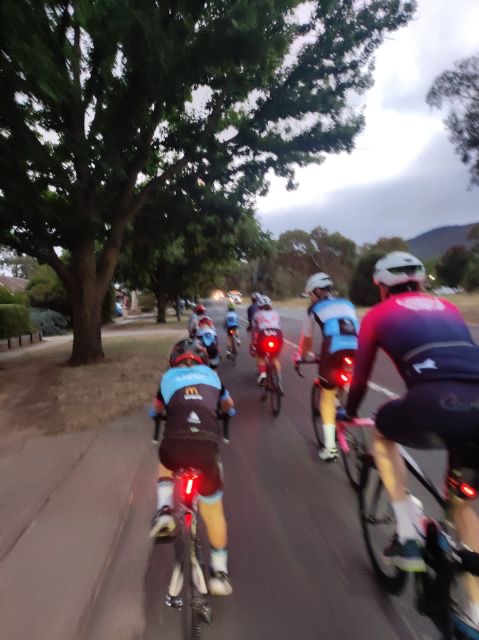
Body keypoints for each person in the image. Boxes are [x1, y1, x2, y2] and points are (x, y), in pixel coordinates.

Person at [342, 251, 479, 634]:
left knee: (383, 433)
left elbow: (361, 376)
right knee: (462, 502)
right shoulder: (449, 308)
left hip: (431, 404)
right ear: (420, 281)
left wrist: (347, 413)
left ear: (382, 286)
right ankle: (477, 614)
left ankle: (406, 533)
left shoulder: (376, 316)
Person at [149, 338, 235, 596]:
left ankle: (164, 512)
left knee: (165, 463)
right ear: (203, 360)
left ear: (174, 360)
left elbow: (155, 411)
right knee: (213, 511)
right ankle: (219, 575)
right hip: (206, 449)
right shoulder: (213, 377)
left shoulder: (167, 377)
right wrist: (223, 414)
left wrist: (161, 415)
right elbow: (230, 409)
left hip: (174, 446)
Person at [296, 273, 359, 461]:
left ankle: (330, 448)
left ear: (316, 291)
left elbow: (307, 339)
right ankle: (345, 399)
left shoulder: (314, 308)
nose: (311, 298)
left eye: (310, 295)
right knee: (346, 377)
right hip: (357, 348)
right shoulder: (348, 304)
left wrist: (303, 355)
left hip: (333, 349)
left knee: (327, 394)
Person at [251, 295, 284, 388]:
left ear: (259, 306)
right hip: (277, 334)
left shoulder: (257, 314)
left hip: (263, 334)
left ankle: (263, 374)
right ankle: (279, 382)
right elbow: (278, 325)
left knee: (260, 355)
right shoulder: (276, 313)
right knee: (275, 358)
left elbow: (254, 329)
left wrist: (253, 342)